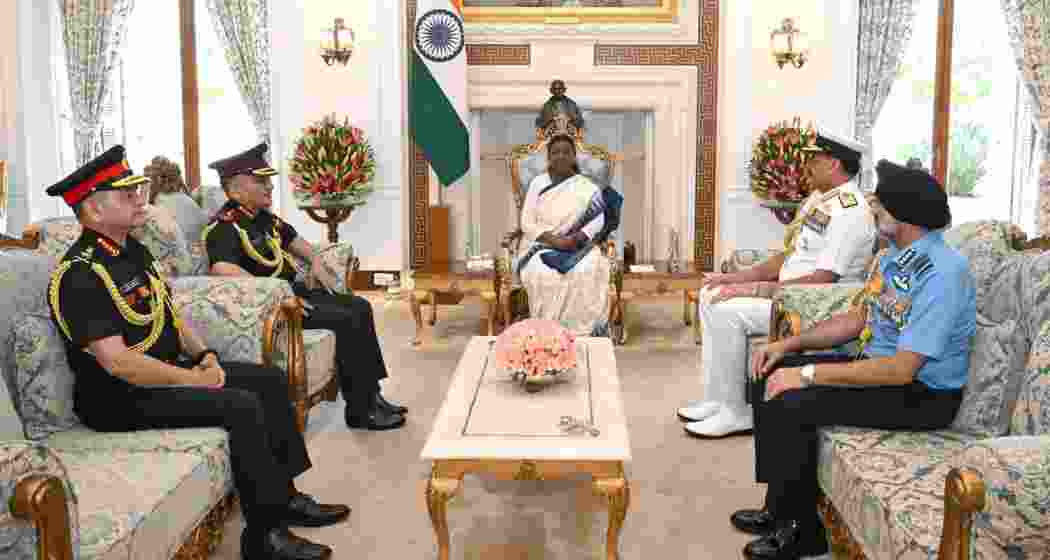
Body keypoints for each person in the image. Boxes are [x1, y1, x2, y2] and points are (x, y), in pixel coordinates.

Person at [46, 145, 350, 560]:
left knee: (269, 380)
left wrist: (205, 355)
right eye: (125, 194)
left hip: (165, 372)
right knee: (240, 406)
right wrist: (193, 379)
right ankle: (264, 537)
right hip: (118, 397)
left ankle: (285, 498)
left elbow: (170, 315)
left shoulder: (133, 251)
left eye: (136, 190)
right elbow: (118, 362)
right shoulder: (79, 273)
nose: (138, 198)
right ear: (94, 210)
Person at [732, 160, 976, 559]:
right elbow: (858, 319)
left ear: (902, 216)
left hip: (923, 394)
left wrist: (808, 375)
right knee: (769, 370)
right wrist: (789, 346)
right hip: (883, 371)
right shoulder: (895, 255)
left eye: (880, 204)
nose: (872, 209)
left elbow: (902, 370)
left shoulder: (943, 274)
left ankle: (803, 533)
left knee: (793, 400)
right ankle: (778, 508)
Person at [678, 129, 877, 437]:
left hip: (819, 304)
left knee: (725, 310)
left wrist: (754, 289)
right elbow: (789, 256)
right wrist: (734, 278)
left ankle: (736, 411)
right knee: (710, 293)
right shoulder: (822, 200)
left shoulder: (850, 210)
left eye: (814, 159)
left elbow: (824, 279)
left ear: (834, 164)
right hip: (791, 294)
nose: (807, 165)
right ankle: (717, 399)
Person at [203, 143, 406, 431]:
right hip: (277, 308)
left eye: (268, 180)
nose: (270, 186)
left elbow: (297, 242)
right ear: (235, 190)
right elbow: (222, 269)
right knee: (346, 319)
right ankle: (361, 410)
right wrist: (277, 293)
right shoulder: (224, 227)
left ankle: (372, 396)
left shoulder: (263, 218)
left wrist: (316, 262)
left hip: (295, 293)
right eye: (260, 181)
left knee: (359, 306)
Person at [517, 133, 623, 336]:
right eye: (555, 152)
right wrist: (555, 241)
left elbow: (598, 220)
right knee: (543, 274)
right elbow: (526, 223)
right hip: (541, 244)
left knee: (588, 269)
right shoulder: (538, 183)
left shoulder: (587, 186)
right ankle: (547, 331)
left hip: (579, 245)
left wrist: (575, 239)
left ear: (574, 157)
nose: (561, 156)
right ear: (549, 157)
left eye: (566, 152)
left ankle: (583, 332)